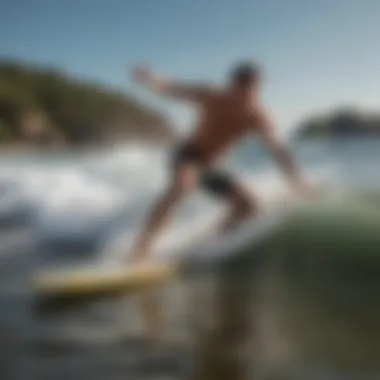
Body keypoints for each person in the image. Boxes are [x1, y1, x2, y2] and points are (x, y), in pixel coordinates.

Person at [129, 61, 313, 263]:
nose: (248, 94)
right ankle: (140, 250)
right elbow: (171, 88)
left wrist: (297, 182)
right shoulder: (212, 96)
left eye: (254, 88)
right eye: (243, 87)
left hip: (211, 166)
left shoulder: (257, 116)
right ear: (233, 85)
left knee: (248, 207)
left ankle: (207, 245)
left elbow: (277, 150)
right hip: (188, 154)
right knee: (182, 186)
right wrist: (149, 78)